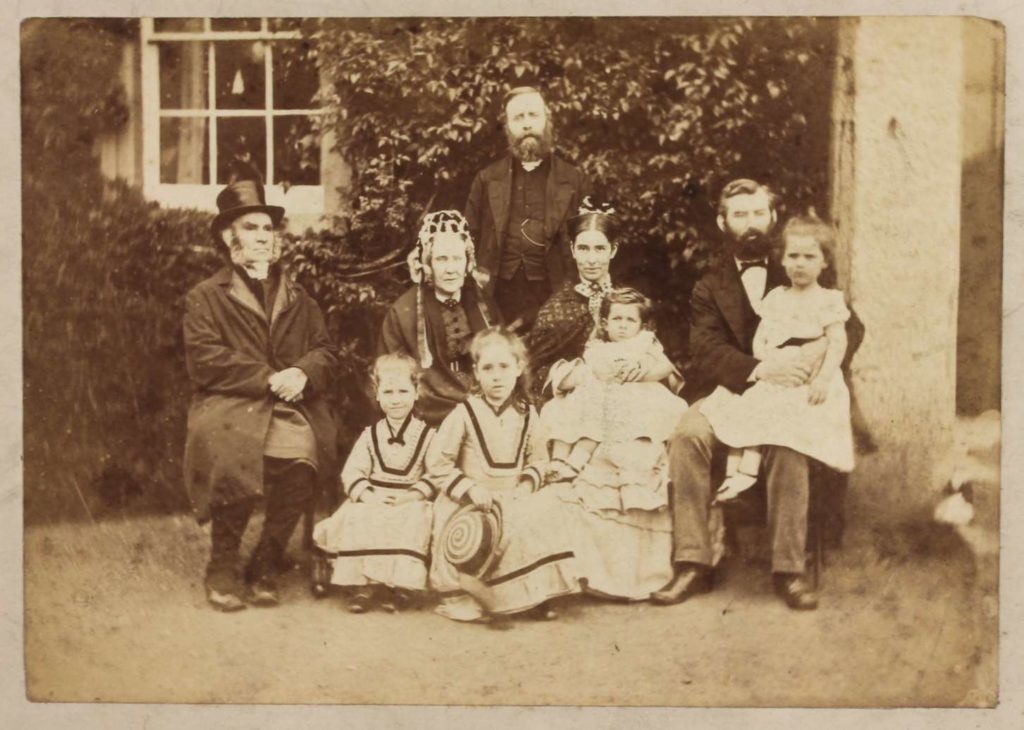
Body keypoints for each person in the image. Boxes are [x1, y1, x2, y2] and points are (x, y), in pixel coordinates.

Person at [653, 178, 862, 611]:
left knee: (788, 446)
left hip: (796, 392)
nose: (750, 223)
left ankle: (789, 570)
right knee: (688, 433)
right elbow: (707, 351)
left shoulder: (798, 262)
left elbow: (848, 327)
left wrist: (813, 352)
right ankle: (693, 561)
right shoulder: (709, 286)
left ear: (772, 217)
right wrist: (764, 367)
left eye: (758, 213)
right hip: (735, 389)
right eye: (739, 214)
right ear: (723, 222)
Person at [183, 179, 338, 612]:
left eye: (268, 229)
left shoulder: (298, 297)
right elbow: (206, 360)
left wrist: (302, 373)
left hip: (291, 404)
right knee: (231, 447)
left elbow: (325, 351)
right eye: (251, 228)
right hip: (232, 402)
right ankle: (222, 565)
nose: (262, 238)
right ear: (229, 239)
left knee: (306, 452)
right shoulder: (205, 298)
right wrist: (269, 378)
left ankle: (267, 560)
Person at [425, 328, 580, 623]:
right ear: (476, 374)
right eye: (488, 369)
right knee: (466, 534)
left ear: (519, 368)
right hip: (471, 500)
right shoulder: (464, 413)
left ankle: (532, 594)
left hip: (510, 496)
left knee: (538, 515)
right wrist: (469, 489)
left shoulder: (527, 412)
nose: (497, 377)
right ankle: (471, 594)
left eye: (504, 367)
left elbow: (538, 458)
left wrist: (525, 483)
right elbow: (438, 464)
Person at [701, 215, 855, 503]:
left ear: (824, 262)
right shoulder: (777, 297)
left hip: (810, 378)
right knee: (746, 406)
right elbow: (762, 337)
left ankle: (747, 471)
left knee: (774, 411)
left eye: (809, 256)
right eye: (793, 255)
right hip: (777, 371)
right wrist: (768, 361)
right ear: (782, 260)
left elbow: (838, 341)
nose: (800, 263)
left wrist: (822, 377)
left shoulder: (828, 300)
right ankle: (732, 475)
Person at [311, 353, 436, 613]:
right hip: (375, 496)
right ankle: (362, 586)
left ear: (416, 392)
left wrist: (412, 495)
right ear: (377, 395)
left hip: (409, 499)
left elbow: (434, 475)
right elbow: (353, 472)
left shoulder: (427, 436)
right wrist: (368, 495)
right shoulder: (370, 436)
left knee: (414, 519)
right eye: (388, 392)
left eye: (403, 391)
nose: (396, 399)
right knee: (361, 517)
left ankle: (400, 587)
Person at [464, 86, 590, 330]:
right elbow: (468, 236)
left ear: (547, 120)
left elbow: (590, 242)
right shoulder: (487, 178)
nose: (526, 124)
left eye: (533, 115)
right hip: (497, 296)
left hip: (555, 293)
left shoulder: (575, 180)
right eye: (518, 118)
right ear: (508, 127)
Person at [543, 287, 688, 482]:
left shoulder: (644, 342)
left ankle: (578, 459)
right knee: (569, 405)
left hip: (635, 391)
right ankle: (559, 459)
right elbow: (589, 370)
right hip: (600, 392)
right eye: (617, 319)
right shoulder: (598, 347)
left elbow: (666, 366)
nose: (623, 326)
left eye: (630, 320)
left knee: (613, 411)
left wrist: (642, 373)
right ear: (605, 323)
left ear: (642, 326)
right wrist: (594, 374)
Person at [379, 210, 501, 426]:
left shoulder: (484, 305)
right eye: (442, 259)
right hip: (430, 408)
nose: (450, 269)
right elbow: (393, 375)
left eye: (457, 259)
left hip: (482, 401)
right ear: (427, 265)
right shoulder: (402, 312)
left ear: (467, 264)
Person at [524, 196, 619, 393]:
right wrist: (569, 378)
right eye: (583, 249)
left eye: (600, 249)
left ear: (613, 250)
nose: (591, 259)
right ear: (572, 250)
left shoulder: (627, 301)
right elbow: (534, 371)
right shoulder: (558, 307)